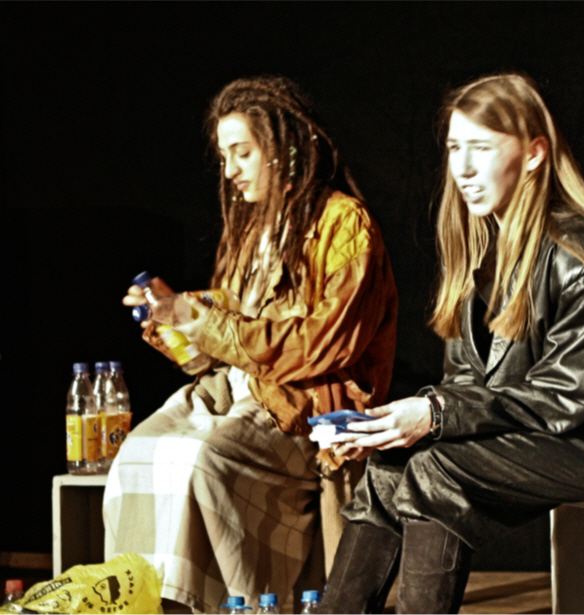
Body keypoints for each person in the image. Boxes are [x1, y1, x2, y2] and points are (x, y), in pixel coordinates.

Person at [312, 72, 584, 613]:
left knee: (436, 469)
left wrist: (435, 415)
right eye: (454, 148)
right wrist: (391, 427)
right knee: (392, 462)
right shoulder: (481, 249)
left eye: (481, 148)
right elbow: (466, 381)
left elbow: (567, 399)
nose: (462, 168)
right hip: (538, 431)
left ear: (534, 154)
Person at [103, 76, 398, 613]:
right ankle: (143, 603)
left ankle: (241, 606)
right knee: (138, 454)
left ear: (285, 151)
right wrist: (169, 317)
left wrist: (200, 318)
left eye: (242, 153)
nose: (230, 171)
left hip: (301, 407)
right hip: (234, 392)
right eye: (224, 157)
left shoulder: (345, 225)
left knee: (202, 460)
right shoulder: (252, 231)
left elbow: (321, 344)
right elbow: (218, 347)